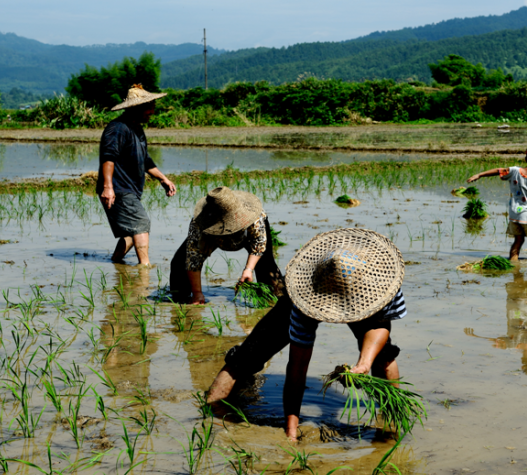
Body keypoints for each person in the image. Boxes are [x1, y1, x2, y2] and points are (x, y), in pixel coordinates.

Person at [281, 228, 407, 440]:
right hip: (319, 291)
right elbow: (297, 366)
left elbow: (379, 326)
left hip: (367, 296)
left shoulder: (384, 282)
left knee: (383, 357)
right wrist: (290, 432)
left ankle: (390, 418)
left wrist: (364, 364)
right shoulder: (305, 298)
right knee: (297, 361)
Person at [97, 84, 176, 265]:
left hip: (129, 189)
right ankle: (144, 269)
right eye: (149, 107)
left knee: (131, 233)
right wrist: (108, 188)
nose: (152, 111)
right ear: (136, 108)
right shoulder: (117, 128)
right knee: (141, 224)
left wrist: (163, 179)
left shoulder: (137, 129)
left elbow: (146, 161)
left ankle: (117, 264)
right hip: (118, 188)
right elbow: (108, 157)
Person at [169, 186, 285, 304]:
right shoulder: (199, 223)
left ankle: (275, 299)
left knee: (267, 265)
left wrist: (248, 269)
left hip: (247, 236)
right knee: (179, 262)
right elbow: (193, 259)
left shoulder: (254, 217)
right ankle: (181, 299)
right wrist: (197, 292)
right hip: (211, 235)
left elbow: (259, 244)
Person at [467, 142, 527, 261]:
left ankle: (513, 262)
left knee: (518, 240)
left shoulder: (514, 171)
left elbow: (498, 170)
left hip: (514, 215)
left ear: (526, 158)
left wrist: (479, 175)